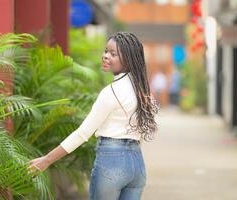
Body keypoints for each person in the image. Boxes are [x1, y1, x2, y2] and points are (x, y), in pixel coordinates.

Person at [29, 32, 159, 200]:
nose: (105, 56)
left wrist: (46, 160)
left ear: (128, 59)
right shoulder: (142, 90)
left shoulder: (111, 92)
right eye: (106, 51)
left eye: (113, 54)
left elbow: (82, 134)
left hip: (111, 161)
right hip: (137, 164)